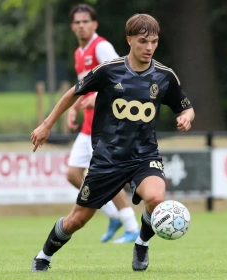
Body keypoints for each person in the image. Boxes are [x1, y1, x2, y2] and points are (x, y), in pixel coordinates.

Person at [30, 13, 194, 272]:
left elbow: (186, 107)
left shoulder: (165, 76)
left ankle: (141, 243)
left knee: (156, 198)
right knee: (77, 220)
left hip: (144, 155)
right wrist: (46, 125)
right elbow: (73, 93)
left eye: (154, 41)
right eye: (143, 41)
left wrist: (186, 117)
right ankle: (43, 256)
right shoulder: (108, 70)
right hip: (108, 159)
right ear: (129, 40)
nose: (149, 47)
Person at [66, 4, 139, 244]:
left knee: (106, 176)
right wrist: (75, 108)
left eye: (86, 21)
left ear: (94, 24)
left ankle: (131, 227)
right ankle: (115, 215)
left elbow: (122, 81)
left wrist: (96, 98)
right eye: (77, 22)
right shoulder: (79, 52)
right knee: (74, 174)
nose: (81, 26)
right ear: (72, 26)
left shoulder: (102, 47)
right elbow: (85, 87)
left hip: (106, 125)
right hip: (88, 125)